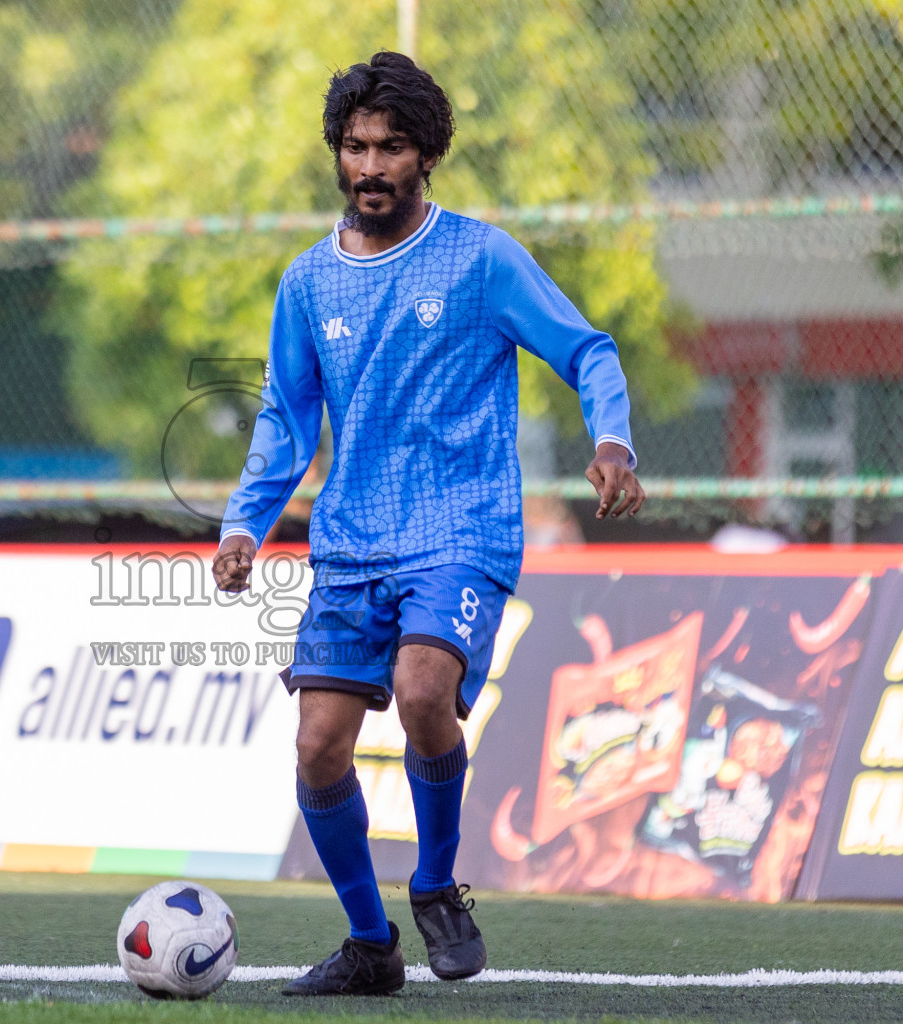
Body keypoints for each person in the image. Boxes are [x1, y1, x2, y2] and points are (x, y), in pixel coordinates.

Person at [210, 51, 645, 996]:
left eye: (392, 148)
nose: (372, 167)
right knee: (319, 743)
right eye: (356, 147)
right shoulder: (307, 283)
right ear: (337, 154)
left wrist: (612, 439)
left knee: (420, 688)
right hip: (352, 543)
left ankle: (440, 883)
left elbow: (588, 350)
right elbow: (286, 418)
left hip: (462, 528)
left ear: (427, 155)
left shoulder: (482, 260)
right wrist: (244, 524)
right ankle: (371, 944)